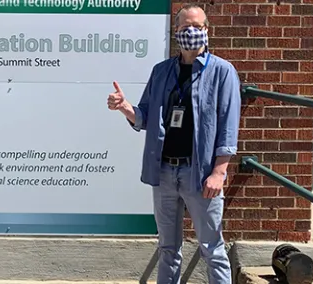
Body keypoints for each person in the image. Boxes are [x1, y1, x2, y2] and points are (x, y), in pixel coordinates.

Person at [107, 4, 240, 284]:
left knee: (212, 247)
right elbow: (144, 116)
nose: (190, 32)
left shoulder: (222, 72)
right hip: (165, 172)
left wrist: (219, 172)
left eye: (196, 27)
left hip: (201, 174)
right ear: (176, 31)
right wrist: (124, 107)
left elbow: (228, 125)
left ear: (206, 30)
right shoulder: (162, 71)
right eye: (184, 27)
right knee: (167, 247)